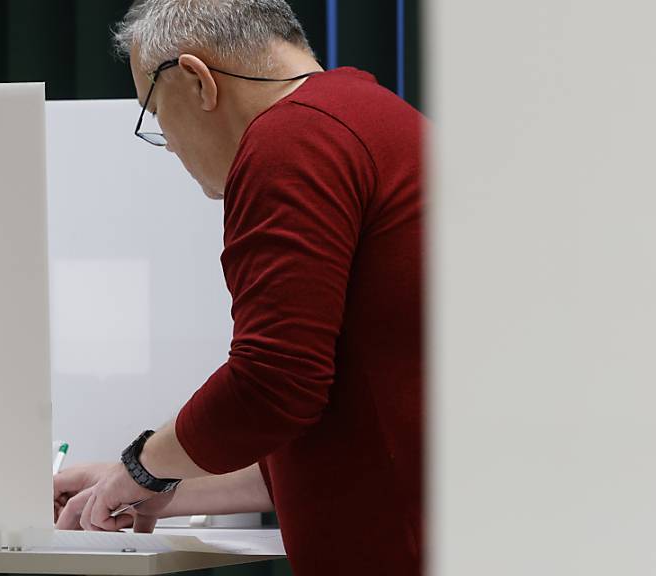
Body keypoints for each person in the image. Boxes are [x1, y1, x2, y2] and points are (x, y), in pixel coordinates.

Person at [52, 1, 424, 574]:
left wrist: (143, 462)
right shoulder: (374, 117)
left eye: (154, 112)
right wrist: (151, 481)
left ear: (197, 80)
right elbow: (332, 437)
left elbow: (272, 384)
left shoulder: (290, 138)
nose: (168, 144)